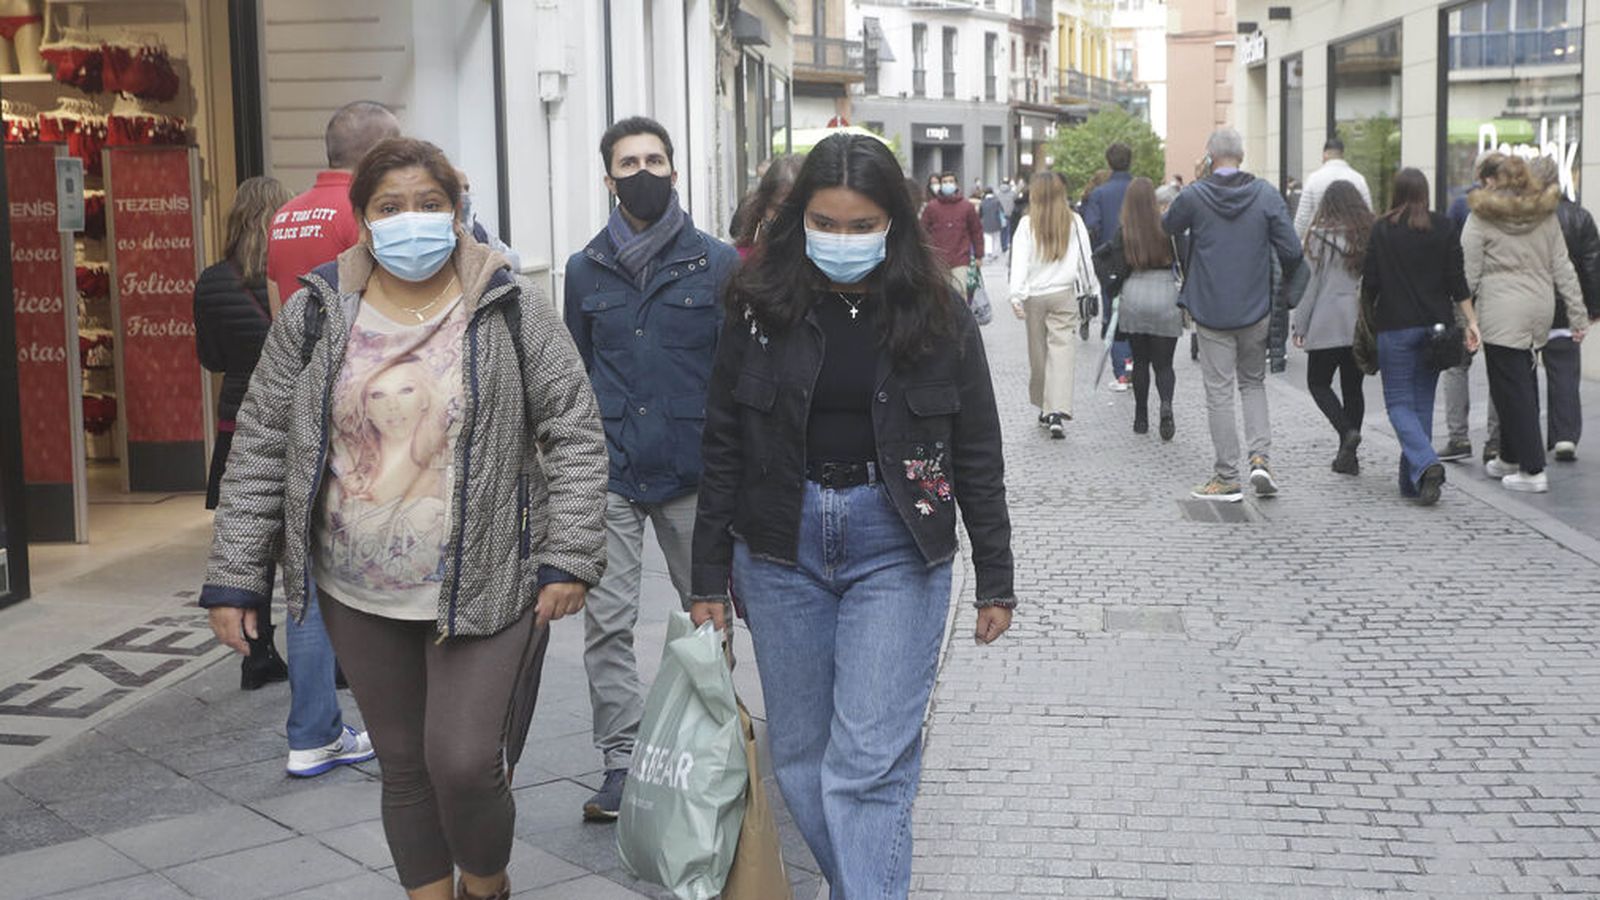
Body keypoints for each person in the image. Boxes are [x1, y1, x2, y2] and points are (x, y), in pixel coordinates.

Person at [203, 137, 607, 900]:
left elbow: (575, 430)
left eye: (430, 204)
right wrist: (235, 579)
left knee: (463, 761)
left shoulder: (510, 302)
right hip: (359, 586)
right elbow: (260, 441)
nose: (412, 220)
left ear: (458, 212)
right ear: (362, 220)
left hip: (489, 577)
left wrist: (570, 554)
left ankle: (486, 887)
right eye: (392, 207)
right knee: (404, 765)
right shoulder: (317, 312)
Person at [689, 132, 1015, 899]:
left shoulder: (939, 312)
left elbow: (978, 450)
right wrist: (707, 575)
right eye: (826, 223)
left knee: (867, 768)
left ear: (894, 222)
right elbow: (722, 441)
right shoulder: (756, 306)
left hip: (896, 543)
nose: (842, 239)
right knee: (803, 761)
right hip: (778, 545)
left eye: (861, 224)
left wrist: (995, 577)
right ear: (799, 219)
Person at [563, 116, 739, 821]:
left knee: (708, 616)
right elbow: (572, 373)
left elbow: (733, 377)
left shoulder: (717, 264)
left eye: (655, 159)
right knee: (606, 623)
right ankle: (621, 758)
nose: (643, 171)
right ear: (608, 179)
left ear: (674, 170)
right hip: (611, 470)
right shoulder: (583, 269)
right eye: (629, 161)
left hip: (693, 472)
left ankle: (711, 744)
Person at [248, 99, 399, 777]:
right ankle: (384, 717)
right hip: (360, 406)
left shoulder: (287, 214)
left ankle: (313, 729)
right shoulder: (361, 216)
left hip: (297, 401)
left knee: (304, 574)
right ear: (371, 154)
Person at [1162, 127, 1301, 502]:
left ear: (1209, 156)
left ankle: (1226, 477)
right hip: (1255, 309)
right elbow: (1291, 249)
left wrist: (1196, 179)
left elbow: (1168, 226)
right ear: (1242, 156)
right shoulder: (1266, 195)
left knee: (1219, 392)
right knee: (1253, 383)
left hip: (1210, 310)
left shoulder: (1195, 195)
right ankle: (1261, 459)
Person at [194, 175, 293, 691]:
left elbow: (208, 357)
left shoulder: (211, 280)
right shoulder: (286, 277)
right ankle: (327, 652)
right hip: (285, 414)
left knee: (248, 538)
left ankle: (257, 652)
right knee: (298, 537)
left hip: (236, 416)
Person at [1462, 155, 1588, 493]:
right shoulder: (1545, 215)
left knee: (1511, 389)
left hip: (1502, 310)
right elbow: (1563, 268)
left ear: (1495, 180)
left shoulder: (1481, 216)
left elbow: (1468, 273)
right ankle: (1508, 456)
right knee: (1520, 381)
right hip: (1539, 308)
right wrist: (1577, 316)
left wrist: (1464, 318)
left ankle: (1532, 470)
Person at [1364, 168, 1477, 505]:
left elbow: (1370, 280)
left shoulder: (1383, 229)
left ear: (1395, 192)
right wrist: (1471, 321)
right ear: (1426, 193)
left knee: (1399, 404)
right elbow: (1457, 280)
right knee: (1422, 405)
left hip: (1395, 326)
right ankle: (1413, 483)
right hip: (1436, 329)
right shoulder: (1443, 226)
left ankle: (1427, 465)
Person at [265, 100, 402, 311]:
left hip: (298, 342)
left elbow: (277, 310)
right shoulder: (368, 210)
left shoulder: (283, 215)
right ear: (379, 154)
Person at [1291, 180, 1372, 475]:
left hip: (1325, 322)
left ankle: (1346, 434)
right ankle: (1348, 455)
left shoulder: (1317, 237)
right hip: (1358, 324)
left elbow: (1309, 284)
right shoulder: (1368, 235)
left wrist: (1299, 324)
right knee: (1354, 389)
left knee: (1318, 383)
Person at [1010, 171, 1099, 439]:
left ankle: (1043, 408)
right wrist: (1090, 290)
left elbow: (1019, 261)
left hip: (1035, 296)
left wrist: (1016, 294)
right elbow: (1085, 259)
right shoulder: (1074, 222)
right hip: (1064, 293)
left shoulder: (1027, 224)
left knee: (1038, 356)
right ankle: (1057, 410)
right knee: (1062, 352)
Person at [1100, 176, 1183, 440]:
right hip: (1164, 292)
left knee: (1140, 361)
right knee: (1164, 364)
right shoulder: (1167, 228)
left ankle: (1141, 417)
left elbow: (1117, 267)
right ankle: (1167, 405)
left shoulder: (1125, 231)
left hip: (1135, 292)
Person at [1531, 156, 1600, 461]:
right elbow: (1591, 265)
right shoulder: (1580, 217)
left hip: (1529, 308)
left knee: (1523, 375)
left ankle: (1525, 434)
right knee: (1564, 375)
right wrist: (1592, 307)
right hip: (1565, 309)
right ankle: (1565, 437)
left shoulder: (1522, 217)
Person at [1438, 151, 1506, 464]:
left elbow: (1449, 250)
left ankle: (1458, 437)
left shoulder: (1462, 205)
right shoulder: (1516, 208)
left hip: (1466, 293)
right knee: (1500, 367)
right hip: (1498, 295)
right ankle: (1495, 441)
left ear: (1481, 176)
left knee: (1456, 364)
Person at [1083, 144, 1136, 390]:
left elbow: (1091, 227)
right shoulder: (1141, 189)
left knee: (1114, 315)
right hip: (1141, 259)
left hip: (1112, 262)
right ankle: (1136, 365)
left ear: (1109, 162)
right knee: (1137, 313)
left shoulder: (1100, 194)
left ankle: (1122, 372)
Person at [1292, 136, 1373, 239]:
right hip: (1353, 243)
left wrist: (1295, 244)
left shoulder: (1313, 179)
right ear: (1342, 155)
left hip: (1320, 242)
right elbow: (1368, 213)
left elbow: (1302, 218)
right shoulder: (1359, 179)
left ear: (1324, 155)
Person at [919, 170, 984, 292]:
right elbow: (922, 231)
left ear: (956, 185)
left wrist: (979, 256)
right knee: (939, 296)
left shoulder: (967, 207)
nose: (948, 184)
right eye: (944, 182)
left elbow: (976, 231)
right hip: (938, 261)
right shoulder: (932, 207)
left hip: (960, 259)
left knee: (960, 294)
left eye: (950, 181)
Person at [732, 153, 804, 260]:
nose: (786, 218)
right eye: (778, 209)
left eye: (796, 210)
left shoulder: (824, 264)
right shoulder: (741, 260)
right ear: (762, 206)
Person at [456, 168, 521, 271]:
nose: (465, 194)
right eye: (458, 188)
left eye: (466, 188)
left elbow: (515, 260)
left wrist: (487, 263)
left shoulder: (478, 229)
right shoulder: (443, 235)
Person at [979, 187, 1005, 260]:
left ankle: (988, 252)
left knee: (987, 238)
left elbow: (980, 214)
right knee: (996, 238)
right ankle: (995, 253)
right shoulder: (997, 201)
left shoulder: (982, 202)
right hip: (996, 222)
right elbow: (1002, 211)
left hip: (986, 223)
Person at [996, 176, 1017, 254]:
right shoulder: (1012, 193)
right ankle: (1007, 244)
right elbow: (1016, 199)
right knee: (1008, 230)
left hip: (1001, 214)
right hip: (1010, 213)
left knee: (1002, 231)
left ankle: (1003, 245)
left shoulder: (997, 192)